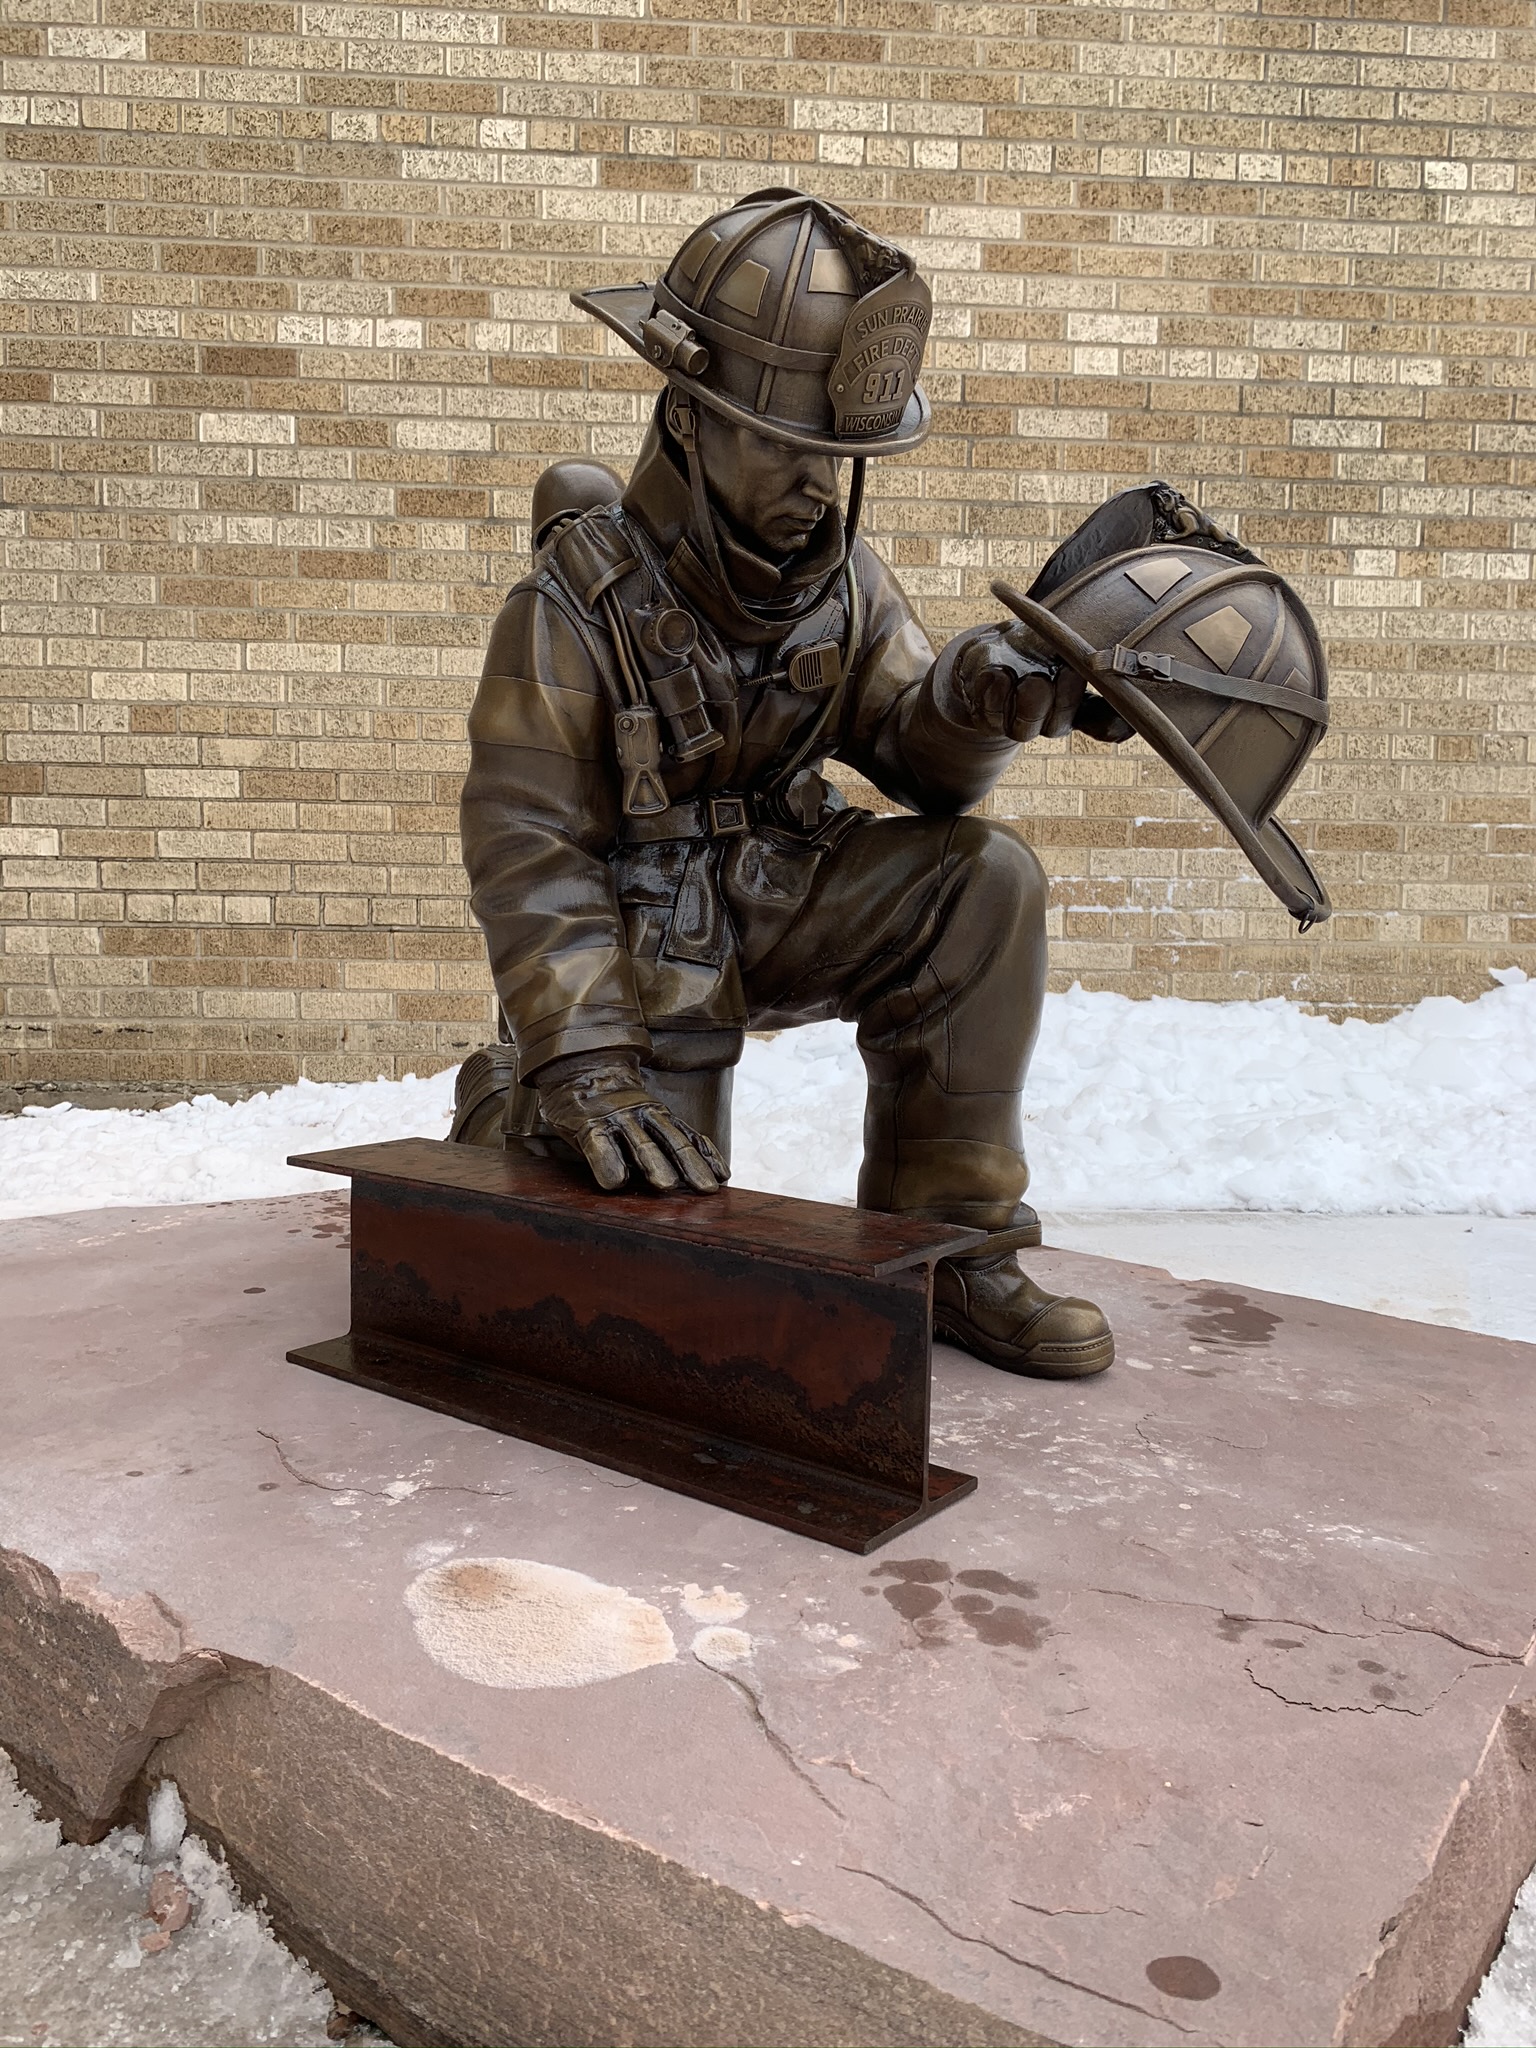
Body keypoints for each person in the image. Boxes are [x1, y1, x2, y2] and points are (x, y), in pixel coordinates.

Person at [452, 187, 1329, 1381]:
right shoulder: (568, 609)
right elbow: (529, 845)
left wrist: (976, 696)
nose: (819, 481)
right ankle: (516, 1099)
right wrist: (583, 1051)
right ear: (691, 417)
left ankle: (953, 1249)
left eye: (838, 454)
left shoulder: (844, 581)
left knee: (986, 882)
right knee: (653, 1268)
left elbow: (920, 758)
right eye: (786, 445)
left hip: (770, 893)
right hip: (628, 945)